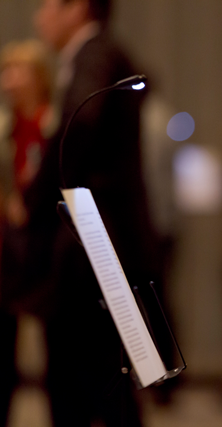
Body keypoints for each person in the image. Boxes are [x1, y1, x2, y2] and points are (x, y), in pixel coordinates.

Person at [6, 0, 157, 425]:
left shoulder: (94, 54)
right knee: (95, 378)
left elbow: (80, 124)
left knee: (87, 380)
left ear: (77, 10)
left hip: (93, 247)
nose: (39, 17)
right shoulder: (99, 55)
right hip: (98, 244)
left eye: (47, 5)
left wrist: (35, 199)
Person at [0, 38, 55, 427]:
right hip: (8, 249)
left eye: (18, 70)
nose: (9, 79)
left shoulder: (51, 123)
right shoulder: (5, 128)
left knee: (61, 348)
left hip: (46, 246)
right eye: (6, 71)